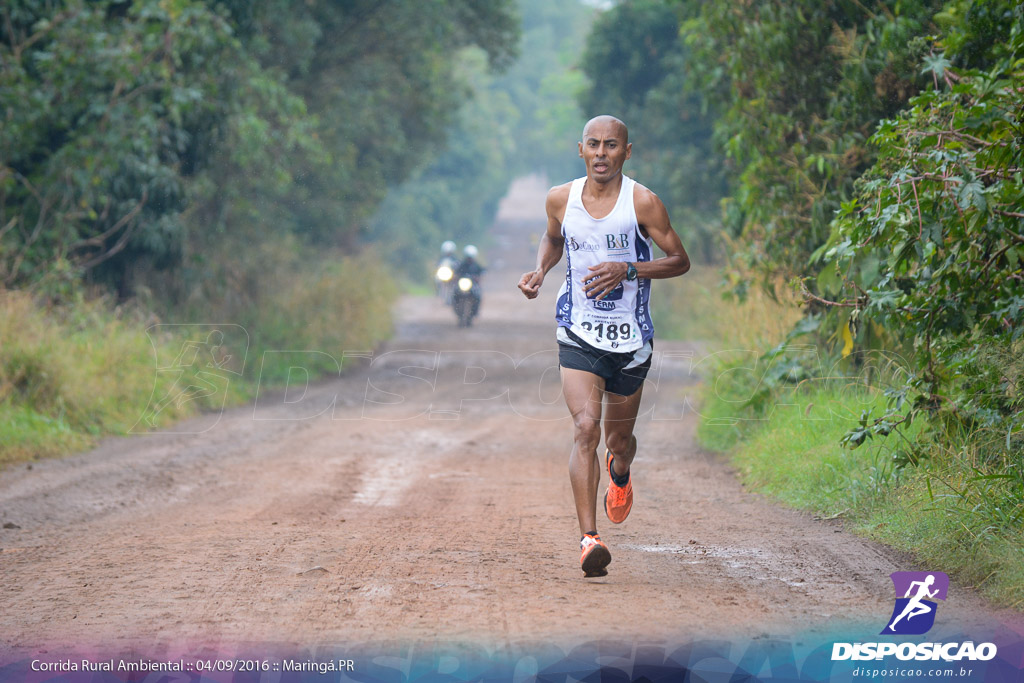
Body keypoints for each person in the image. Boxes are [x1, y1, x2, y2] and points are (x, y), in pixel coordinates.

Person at [517, 115, 690, 577]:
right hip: (578, 329)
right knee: (585, 429)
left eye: (611, 146)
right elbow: (554, 239)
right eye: (593, 145)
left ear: (625, 152)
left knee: (617, 439)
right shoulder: (560, 199)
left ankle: (620, 469)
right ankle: (589, 539)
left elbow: (679, 260)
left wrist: (629, 269)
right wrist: (540, 271)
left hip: (630, 340)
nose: (601, 154)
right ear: (580, 150)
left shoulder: (643, 203)